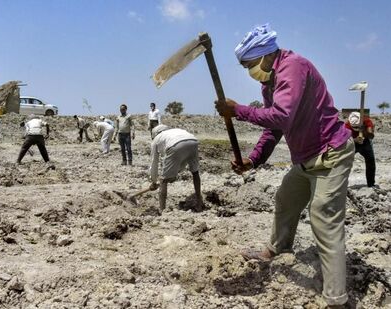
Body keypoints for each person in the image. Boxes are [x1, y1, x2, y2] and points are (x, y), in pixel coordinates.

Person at [215, 24, 354, 308]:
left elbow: (281, 117)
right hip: (304, 159)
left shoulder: (293, 67)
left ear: (266, 55)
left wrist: (237, 111)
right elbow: (273, 131)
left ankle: (337, 300)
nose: (249, 71)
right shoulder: (270, 83)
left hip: (330, 154)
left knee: (323, 219)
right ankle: (277, 248)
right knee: (286, 200)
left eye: (250, 64)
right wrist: (252, 160)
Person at [149, 125, 202, 211]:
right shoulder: (174, 131)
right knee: (195, 172)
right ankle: (199, 204)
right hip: (193, 141)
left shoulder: (156, 139)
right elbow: (181, 160)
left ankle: (162, 210)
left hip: (175, 144)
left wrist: (154, 181)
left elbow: (154, 162)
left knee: (163, 180)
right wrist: (174, 174)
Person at [345, 111, 376, 187]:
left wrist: (364, 131)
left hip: (365, 143)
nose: (356, 128)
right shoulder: (346, 125)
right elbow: (345, 138)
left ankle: (371, 184)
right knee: (344, 162)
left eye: (357, 126)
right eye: (354, 127)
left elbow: (371, 136)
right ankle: (342, 184)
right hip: (353, 143)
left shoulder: (366, 121)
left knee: (370, 161)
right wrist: (355, 140)